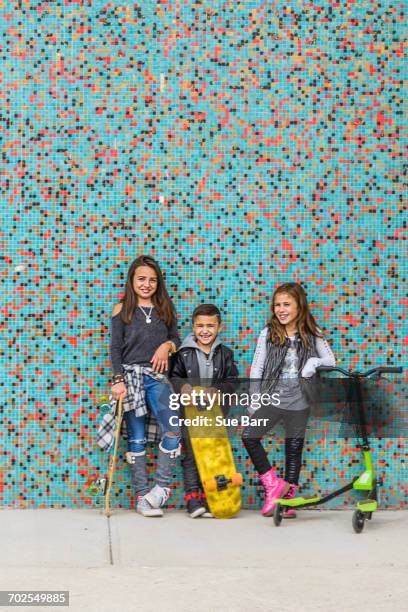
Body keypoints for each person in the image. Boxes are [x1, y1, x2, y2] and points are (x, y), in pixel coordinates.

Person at [242, 282, 335, 518]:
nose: (281, 309)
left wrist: (313, 363)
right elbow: (257, 368)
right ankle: (272, 484)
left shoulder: (312, 332)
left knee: (293, 449)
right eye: (277, 305)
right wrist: (254, 401)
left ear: (299, 306)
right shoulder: (268, 333)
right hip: (272, 399)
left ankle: (289, 500)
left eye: (286, 304)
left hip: (299, 401)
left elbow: (330, 360)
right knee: (249, 436)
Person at [110, 255, 181, 517]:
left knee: (173, 429)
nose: (147, 284)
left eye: (152, 280)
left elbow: (175, 338)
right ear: (132, 280)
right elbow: (115, 349)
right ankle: (142, 497)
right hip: (130, 379)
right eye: (141, 278)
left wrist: (167, 346)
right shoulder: (122, 310)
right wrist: (118, 381)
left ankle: (161, 489)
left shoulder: (165, 308)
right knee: (137, 437)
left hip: (157, 379)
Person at [170, 304, 239, 518]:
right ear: (193, 326)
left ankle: (213, 498)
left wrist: (218, 390)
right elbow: (174, 376)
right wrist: (183, 387)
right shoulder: (183, 353)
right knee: (191, 455)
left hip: (215, 416)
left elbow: (233, 380)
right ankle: (193, 498)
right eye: (200, 325)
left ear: (219, 327)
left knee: (214, 457)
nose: (205, 330)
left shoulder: (225, 354)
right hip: (190, 415)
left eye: (210, 325)